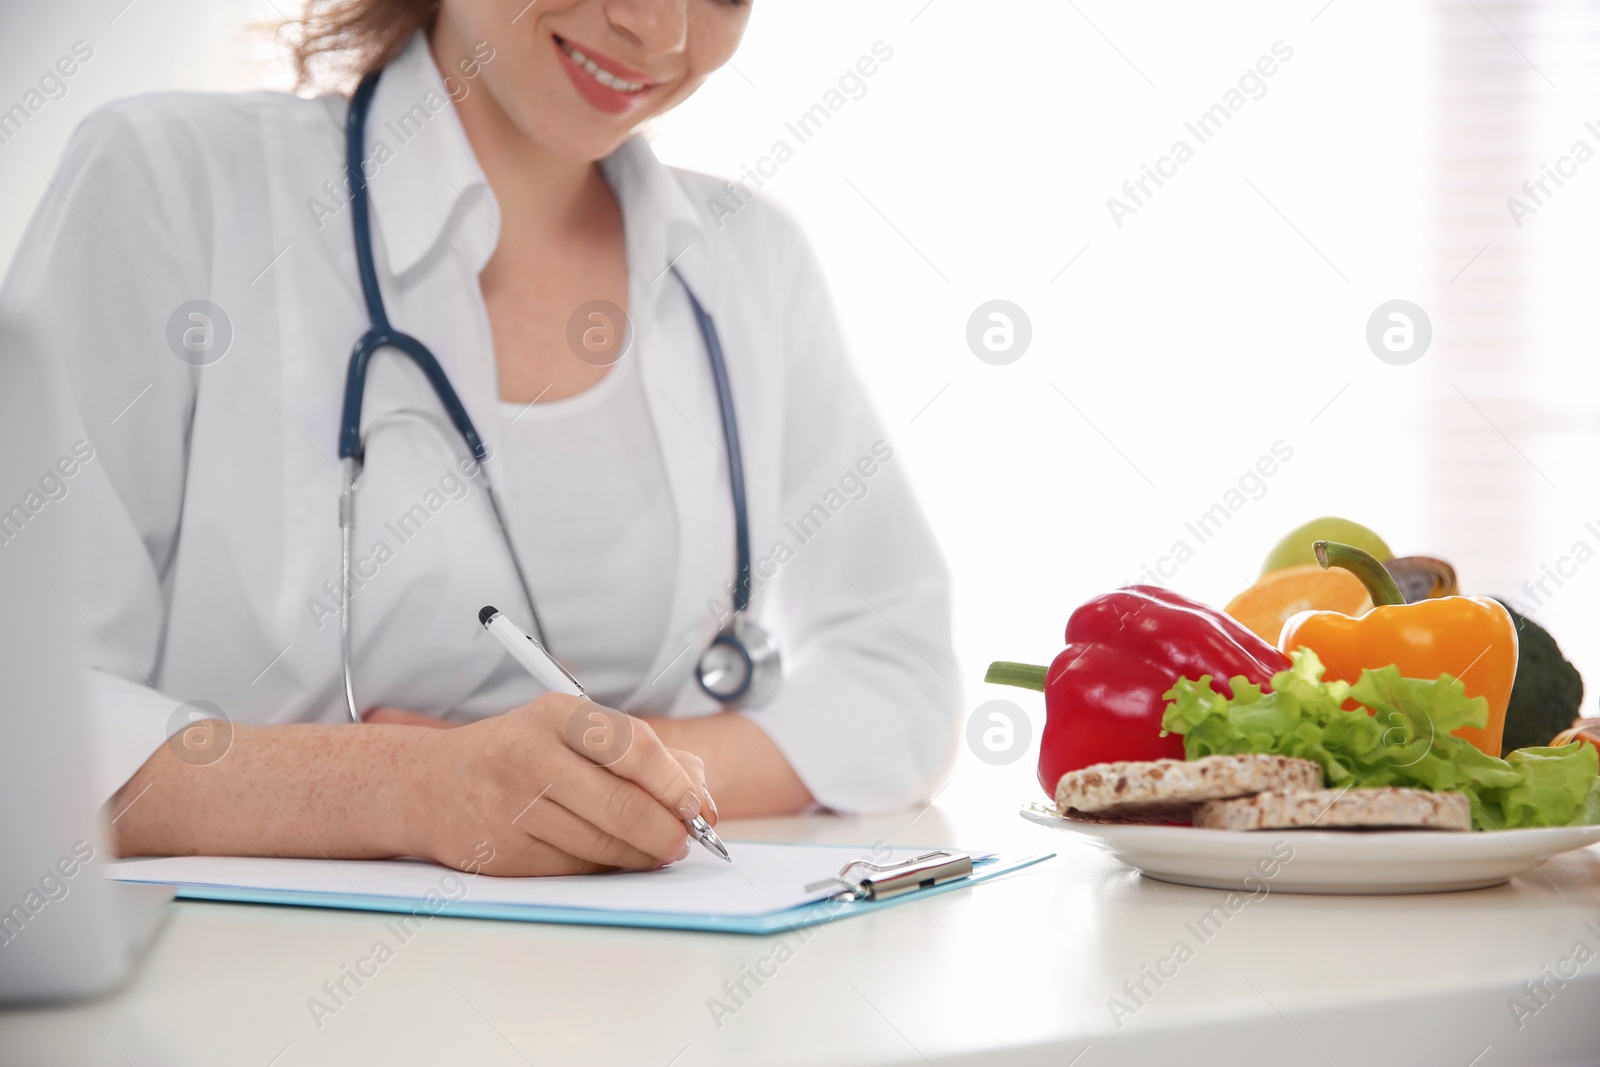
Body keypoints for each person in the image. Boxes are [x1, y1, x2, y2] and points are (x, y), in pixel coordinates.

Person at [0, 0, 957, 877]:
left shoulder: (747, 259)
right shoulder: (172, 185)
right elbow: (25, 718)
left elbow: (900, 675)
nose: (659, 29)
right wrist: (401, 785)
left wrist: (574, 780)